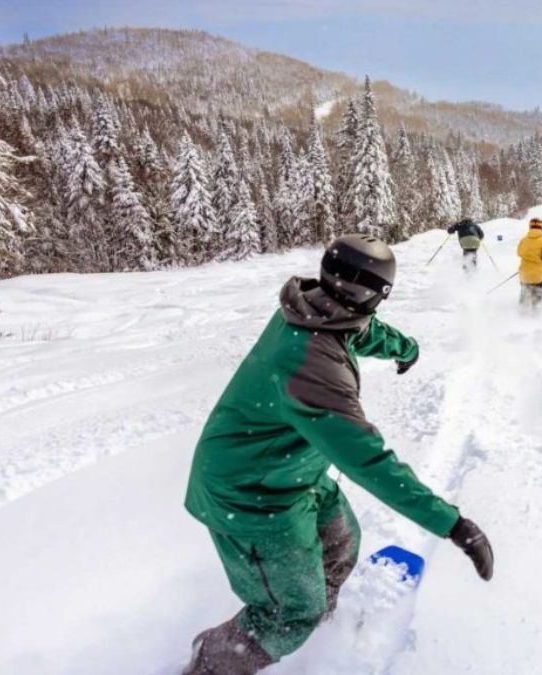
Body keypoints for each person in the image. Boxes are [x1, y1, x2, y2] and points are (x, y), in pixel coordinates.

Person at [183, 234, 494, 675]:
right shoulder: (313, 367)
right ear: (376, 295)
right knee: (290, 613)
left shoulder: (316, 306)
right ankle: (210, 664)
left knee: (341, 544)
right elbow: (369, 461)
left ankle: (315, 614)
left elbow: (359, 332)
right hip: (250, 496)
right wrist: (454, 524)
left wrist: (406, 349)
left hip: (289, 475)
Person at [517, 217, 542, 311]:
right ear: (541, 228)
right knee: (537, 296)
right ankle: (537, 316)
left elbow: (519, 252)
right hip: (537, 276)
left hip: (524, 274)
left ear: (530, 227)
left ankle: (521, 314)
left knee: (524, 293)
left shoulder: (523, 240)